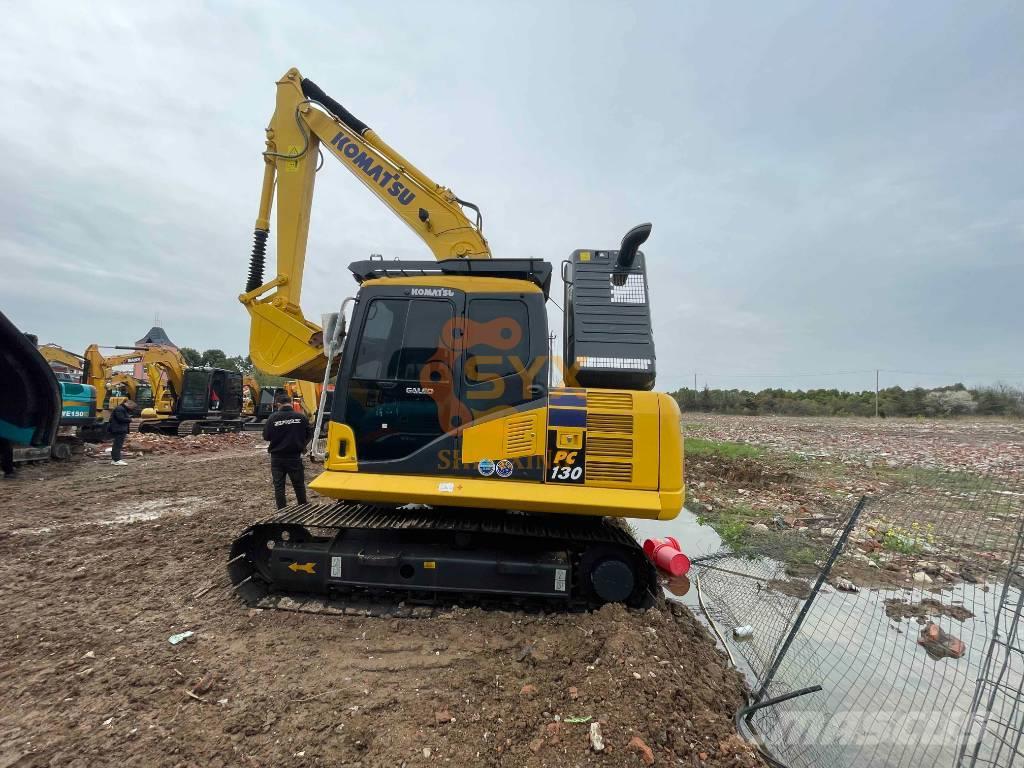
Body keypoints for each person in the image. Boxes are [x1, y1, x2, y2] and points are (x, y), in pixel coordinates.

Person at [262, 396, 312, 509]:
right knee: (298, 484)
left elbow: (266, 436)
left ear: (278, 404)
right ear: (291, 403)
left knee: (279, 486)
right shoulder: (301, 417)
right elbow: (309, 434)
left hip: (277, 457)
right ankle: (303, 507)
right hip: (294, 456)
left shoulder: (272, 418)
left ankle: (282, 510)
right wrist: (301, 445)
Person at [108, 399, 136, 466]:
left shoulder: (121, 408)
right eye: (132, 407)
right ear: (129, 404)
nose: (132, 409)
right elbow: (120, 418)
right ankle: (116, 460)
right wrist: (130, 419)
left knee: (118, 445)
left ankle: (116, 459)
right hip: (119, 429)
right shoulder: (120, 409)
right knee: (117, 445)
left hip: (120, 429)